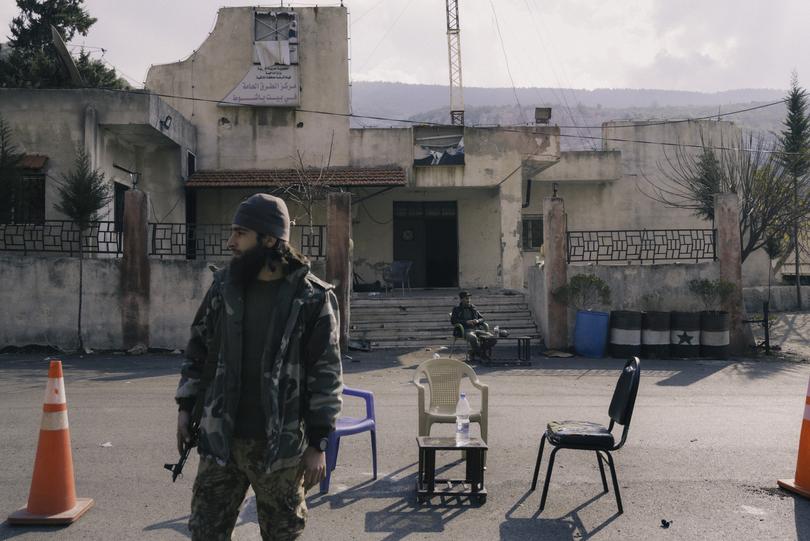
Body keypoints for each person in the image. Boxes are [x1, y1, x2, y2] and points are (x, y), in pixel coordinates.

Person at [175, 193, 343, 540]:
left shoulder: (312, 298)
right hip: (221, 440)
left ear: (269, 240)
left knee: (282, 534)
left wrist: (319, 443)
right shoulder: (224, 287)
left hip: (280, 449)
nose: (230, 242)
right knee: (205, 532)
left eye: (240, 233)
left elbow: (326, 374)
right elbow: (198, 348)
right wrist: (185, 406)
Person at [450, 291, 497, 360]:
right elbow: (453, 321)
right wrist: (466, 322)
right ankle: (482, 355)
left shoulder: (473, 308)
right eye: (466, 298)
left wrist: (477, 321)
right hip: (464, 330)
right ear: (461, 299)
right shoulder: (456, 309)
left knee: (492, 338)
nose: (468, 300)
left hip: (476, 329)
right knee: (473, 337)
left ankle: (473, 352)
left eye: (469, 298)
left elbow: (482, 318)